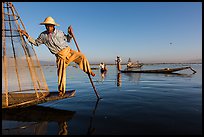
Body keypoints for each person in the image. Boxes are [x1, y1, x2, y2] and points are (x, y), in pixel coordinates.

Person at [20, 16, 95, 97]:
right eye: (46, 25)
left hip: (68, 52)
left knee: (82, 56)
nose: (48, 27)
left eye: (49, 25)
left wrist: (70, 33)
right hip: (59, 57)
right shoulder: (43, 36)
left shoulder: (60, 33)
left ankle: (89, 71)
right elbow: (36, 43)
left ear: (53, 26)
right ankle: (61, 91)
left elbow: (68, 39)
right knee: (61, 74)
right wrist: (27, 36)